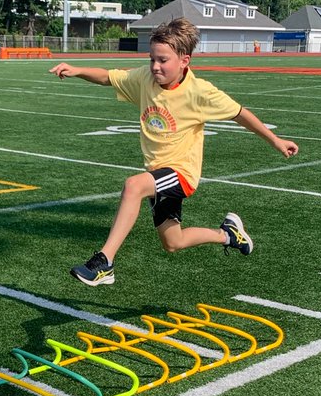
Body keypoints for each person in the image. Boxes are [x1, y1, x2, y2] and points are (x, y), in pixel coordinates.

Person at [50, 18, 299, 286]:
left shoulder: (200, 92)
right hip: (157, 172)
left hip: (182, 173)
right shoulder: (144, 79)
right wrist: (76, 70)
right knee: (173, 242)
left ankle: (104, 262)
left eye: (163, 60)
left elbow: (240, 114)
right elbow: (109, 77)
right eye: (152, 59)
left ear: (184, 61)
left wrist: (275, 141)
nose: (156, 66)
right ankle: (228, 235)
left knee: (133, 186)